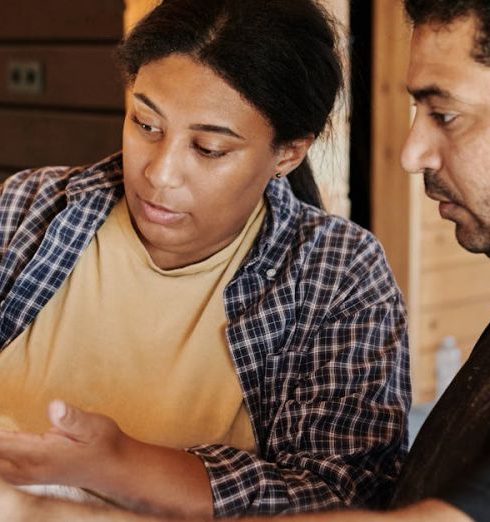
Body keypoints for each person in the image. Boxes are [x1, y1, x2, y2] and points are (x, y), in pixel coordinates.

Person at [0, 0, 410, 518]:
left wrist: (117, 465)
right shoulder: (28, 208)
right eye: (146, 124)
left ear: (287, 153)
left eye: (209, 148)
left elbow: (342, 494)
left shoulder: (338, 276)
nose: (161, 173)